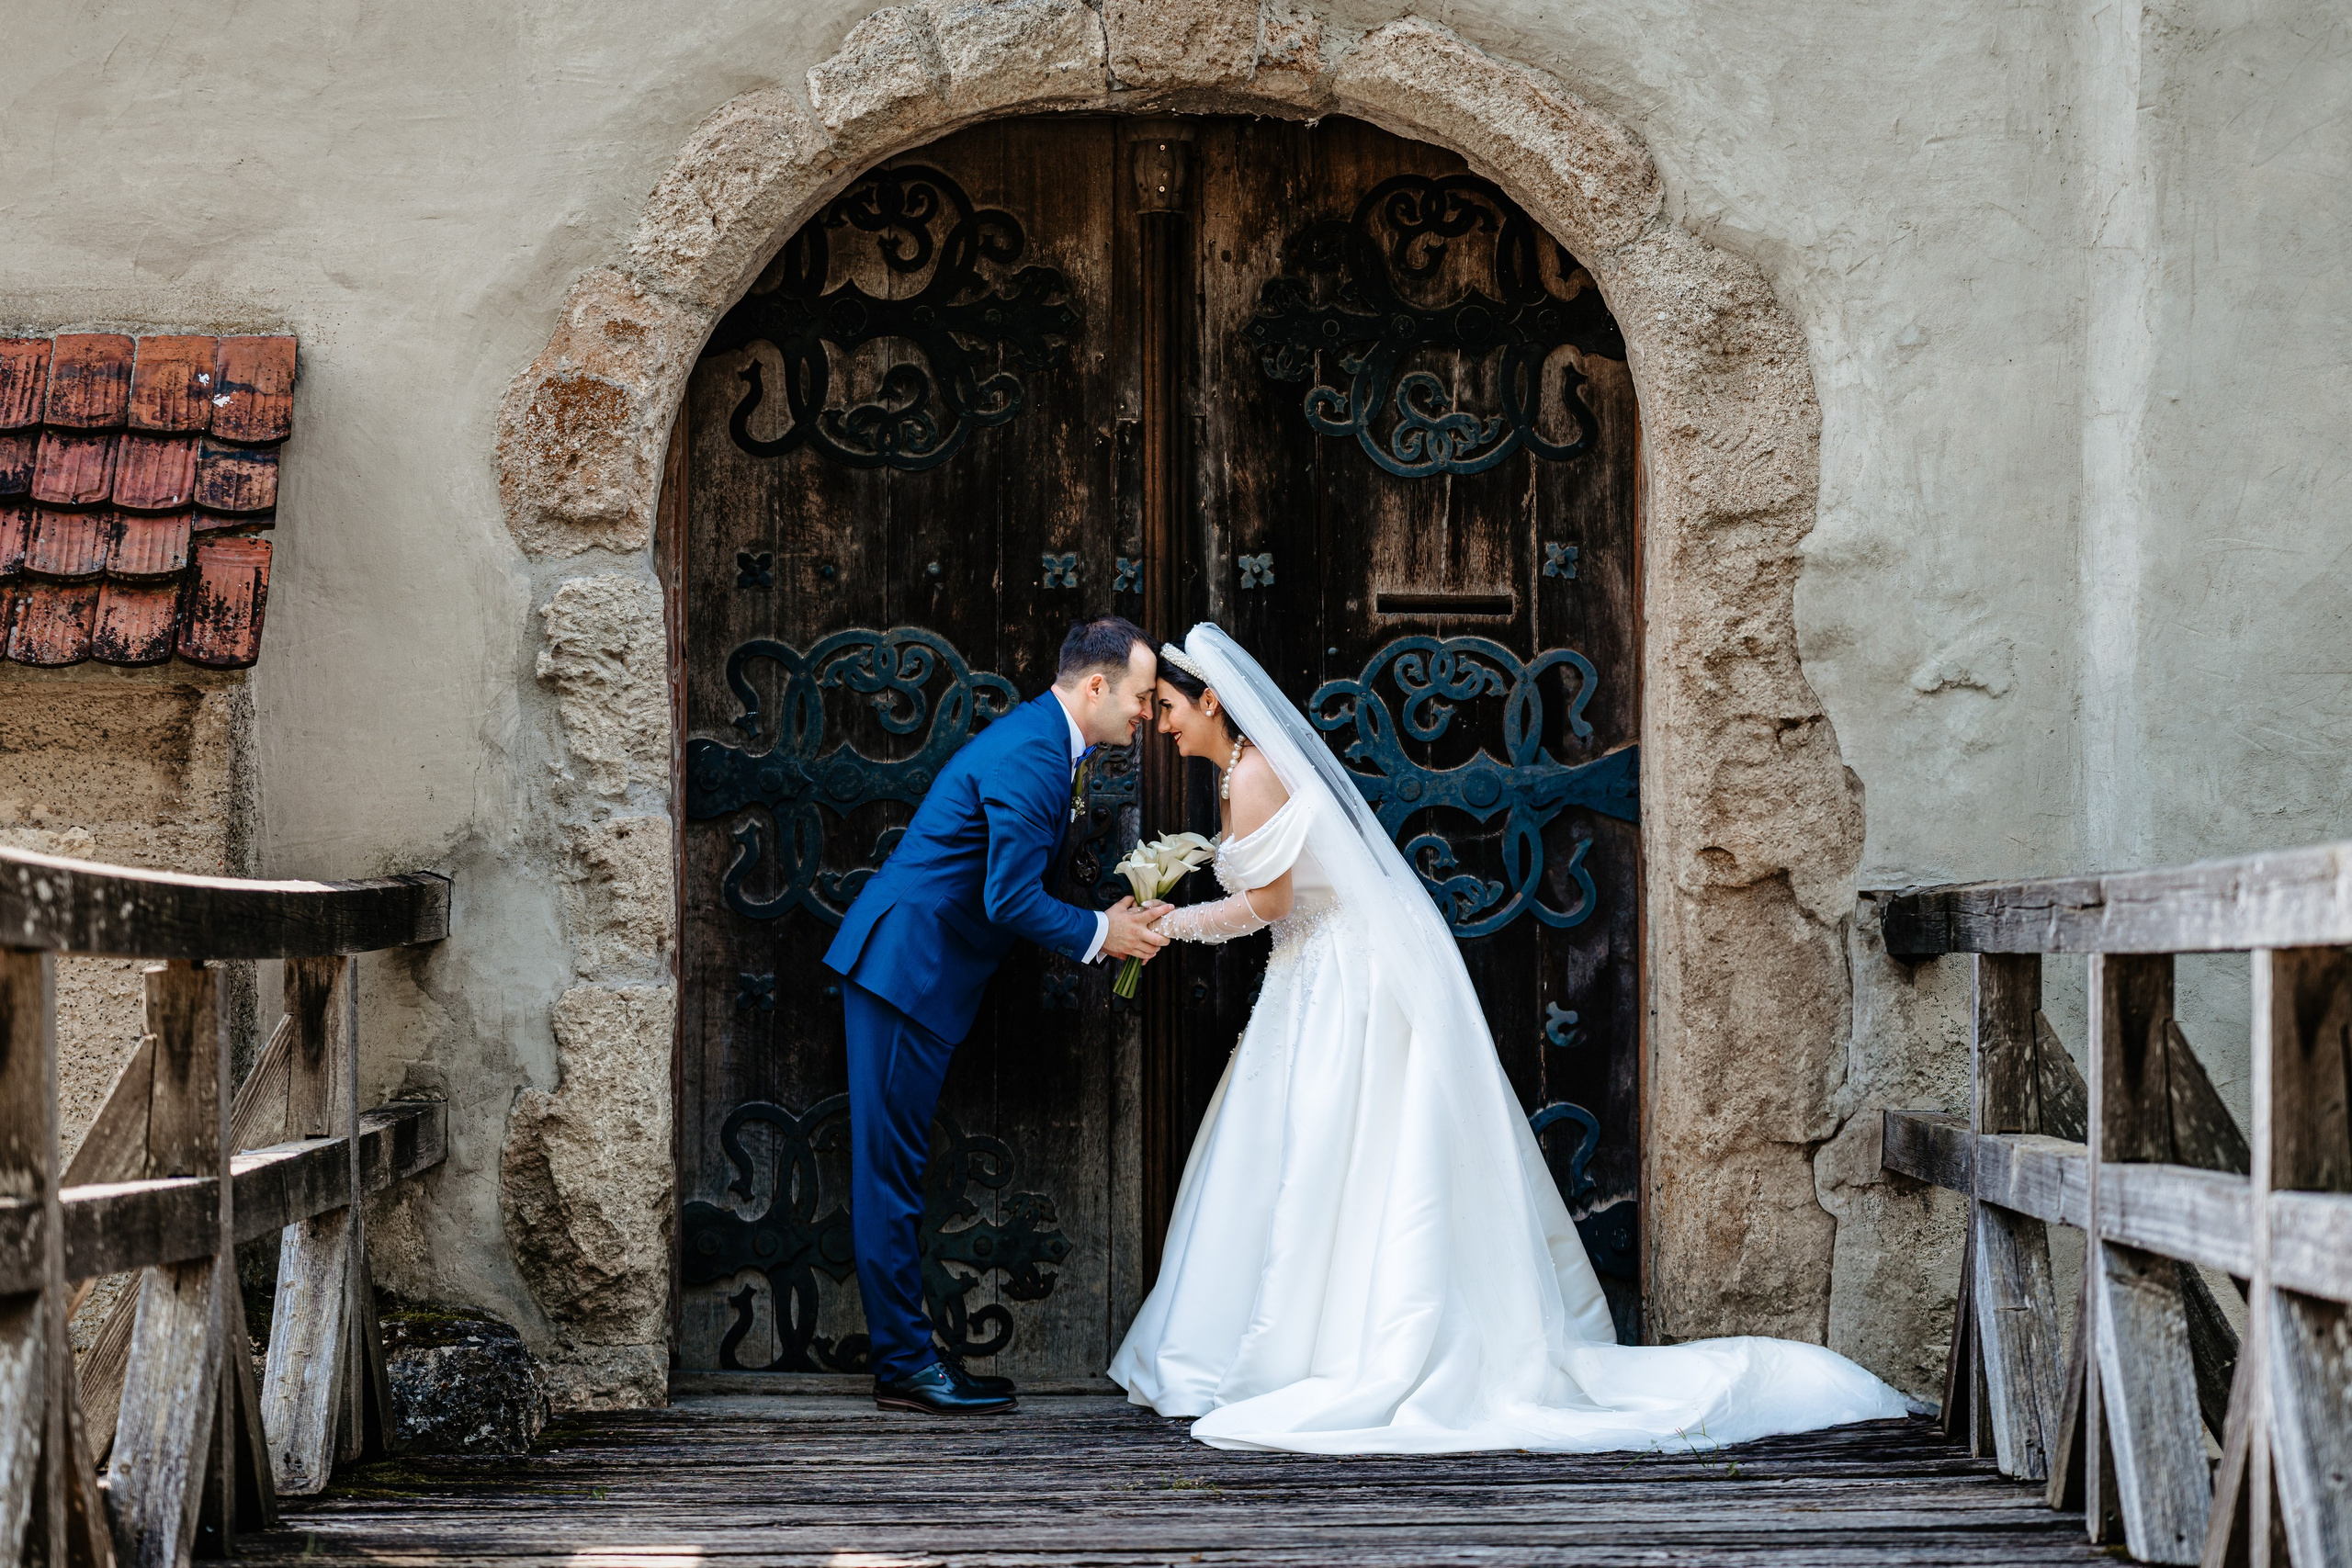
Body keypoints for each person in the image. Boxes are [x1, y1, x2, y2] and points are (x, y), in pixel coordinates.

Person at [1108, 624, 1911, 1453]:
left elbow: (1272, 907)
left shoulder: (1255, 777)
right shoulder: (1243, 773)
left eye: (1168, 706)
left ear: (1212, 700)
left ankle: (1324, 1346)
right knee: (1318, 1153)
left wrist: (1175, 924)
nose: (1162, 723)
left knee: (1333, 1148)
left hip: (1341, 981)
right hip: (1315, 975)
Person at [826, 615, 1173, 1415]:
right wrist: (1100, 933)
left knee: (897, 1171)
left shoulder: (1049, 743)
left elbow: (1012, 877)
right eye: (1142, 698)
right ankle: (906, 1368)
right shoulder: (1033, 753)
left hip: (917, 973)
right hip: (901, 972)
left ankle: (906, 1361)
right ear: (1097, 686)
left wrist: (1102, 917)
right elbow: (1007, 896)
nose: (1146, 715)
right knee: (890, 1176)